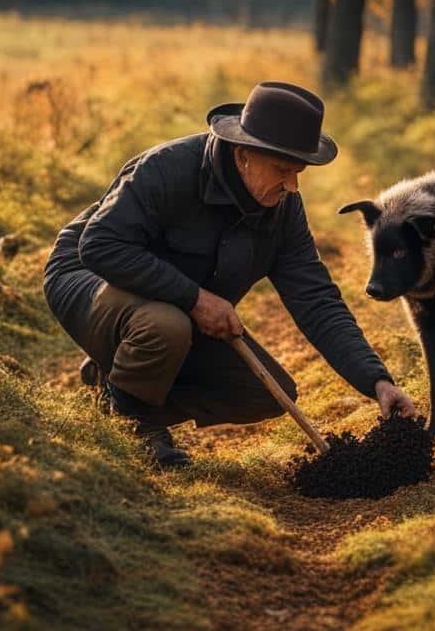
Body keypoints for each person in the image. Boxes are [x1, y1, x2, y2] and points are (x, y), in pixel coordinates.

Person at [43, 81, 415, 467]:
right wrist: (197, 300)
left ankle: (118, 374)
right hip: (88, 277)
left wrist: (377, 382)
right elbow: (100, 245)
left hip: (166, 305)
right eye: (283, 170)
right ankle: (136, 420)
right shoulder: (166, 169)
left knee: (267, 393)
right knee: (165, 325)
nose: (292, 185)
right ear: (242, 156)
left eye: (299, 171)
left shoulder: (283, 206)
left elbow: (316, 299)